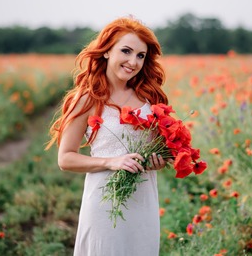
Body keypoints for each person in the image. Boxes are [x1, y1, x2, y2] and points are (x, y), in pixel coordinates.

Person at [46, 17, 169, 256]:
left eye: (141, 55)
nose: (133, 62)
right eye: (126, 51)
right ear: (106, 52)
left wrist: (159, 160)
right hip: (104, 204)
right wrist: (110, 162)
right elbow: (66, 159)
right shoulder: (86, 98)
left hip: (143, 203)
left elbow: (158, 152)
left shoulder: (150, 99)